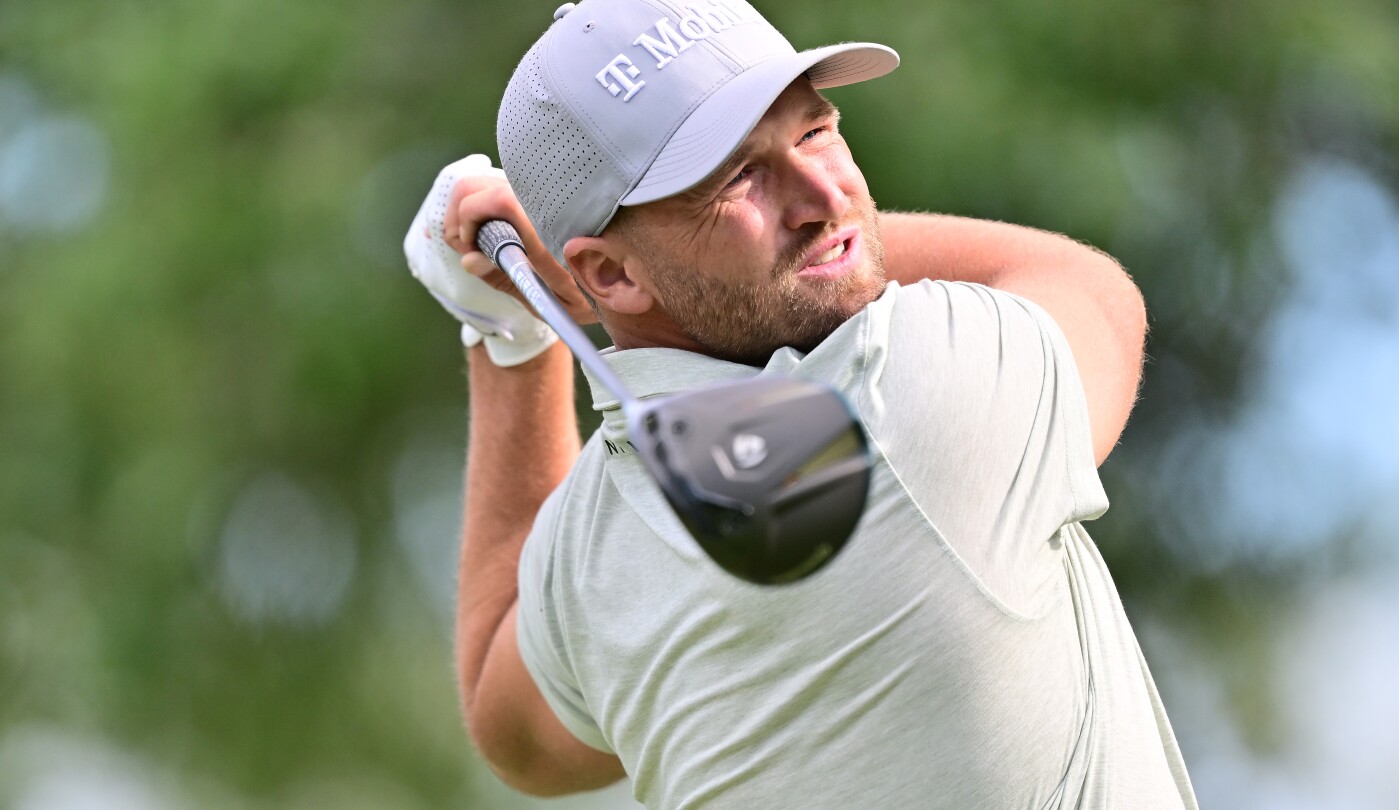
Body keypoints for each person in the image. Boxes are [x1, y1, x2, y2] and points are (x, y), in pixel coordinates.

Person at [402, 0, 1199, 806]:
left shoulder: (589, 558)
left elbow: (513, 736)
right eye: (740, 176)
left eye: (815, 130)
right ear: (610, 273)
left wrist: (511, 332)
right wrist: (569, 294)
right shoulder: (909, 396)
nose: (827, 192)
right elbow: (1093, 295)